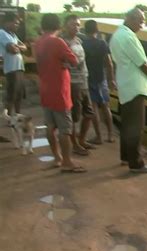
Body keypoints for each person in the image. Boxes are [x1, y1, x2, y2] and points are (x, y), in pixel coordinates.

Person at [109, 8, 147, 173]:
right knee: (136, 127)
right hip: (135, 87)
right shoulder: (129, 37)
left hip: (126, 84)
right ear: (130, 19)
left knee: (128, 124)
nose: (142, 25)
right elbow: (142, 63)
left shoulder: (117, 35)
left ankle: (125, 157)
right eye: (140, 21)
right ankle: (136, 163)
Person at [34, 13, 85, 173]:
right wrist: (64, 62)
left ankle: (57, 158)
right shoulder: (57, 42)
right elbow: (75, 61)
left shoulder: (38, 42)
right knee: (65, 129)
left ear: (43, 25)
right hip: (59, 91)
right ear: (59, 26)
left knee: (50, 126)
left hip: (45, 89)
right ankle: (67, 162)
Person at [60, 15, 94, 156]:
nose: (76, 27)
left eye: (78, 25)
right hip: (72, 83)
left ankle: (81, 139)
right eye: (73, 24)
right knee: (74, 116)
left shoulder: (78, 40)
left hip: (83, 80)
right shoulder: (62, 42)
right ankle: (75, 144)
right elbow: (61, 61)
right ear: (65, 25)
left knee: (89, 113)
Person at [81, 19, 117, 144]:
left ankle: (98, 137)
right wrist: (111, 79)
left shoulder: (83, 45)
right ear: (97, 30)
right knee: (106, 107)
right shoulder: (102, 43)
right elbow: (109, 63)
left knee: (94, 108)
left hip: (89, 78)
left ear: (85, 31)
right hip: (102, 79)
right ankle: (111, 135)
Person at [0, 12, 26, 116]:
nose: (17, 25)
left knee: (19, 93)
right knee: (12, 93)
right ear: (8, 22)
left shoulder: (13, 35)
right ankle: (9, 116)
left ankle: (17, 115)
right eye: (15, 23)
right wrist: (17, 48)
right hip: (11, 68)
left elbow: (24, 47)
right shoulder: (2, 33)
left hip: (19, 67)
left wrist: (17, 47)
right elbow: (12, 50)